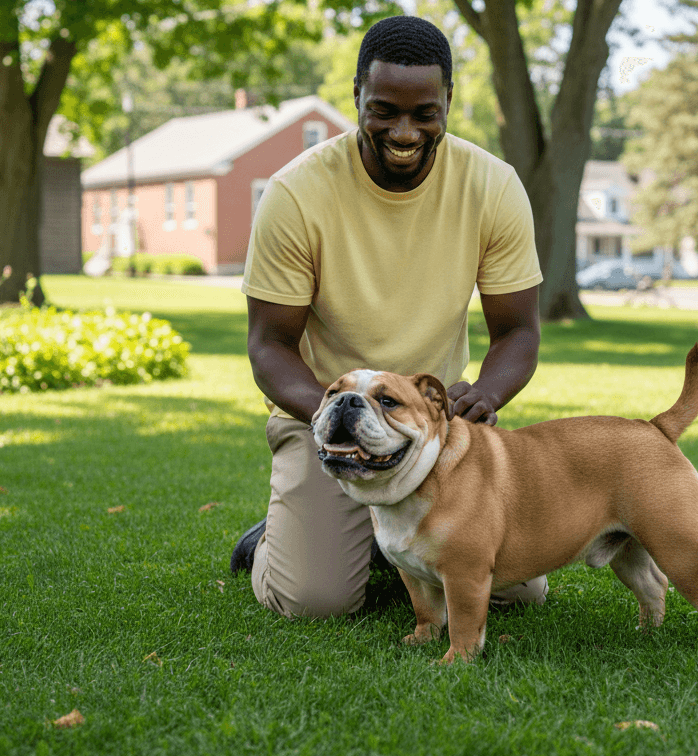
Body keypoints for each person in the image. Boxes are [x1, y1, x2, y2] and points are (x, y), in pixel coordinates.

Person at [230, 14, 548, 618]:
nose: (404, 131)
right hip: (323, 420)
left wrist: (485, 393)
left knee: (517, 586)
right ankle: (272, 541)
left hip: (434, 427)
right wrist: (335, 417)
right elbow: (269, 345)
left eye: (424, 114)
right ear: (356, 97)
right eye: (384, 111)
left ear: (448, 103)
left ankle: (388, 541)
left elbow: (518, 331)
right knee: (314, 600)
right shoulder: (295, 192)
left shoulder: (494, 186)